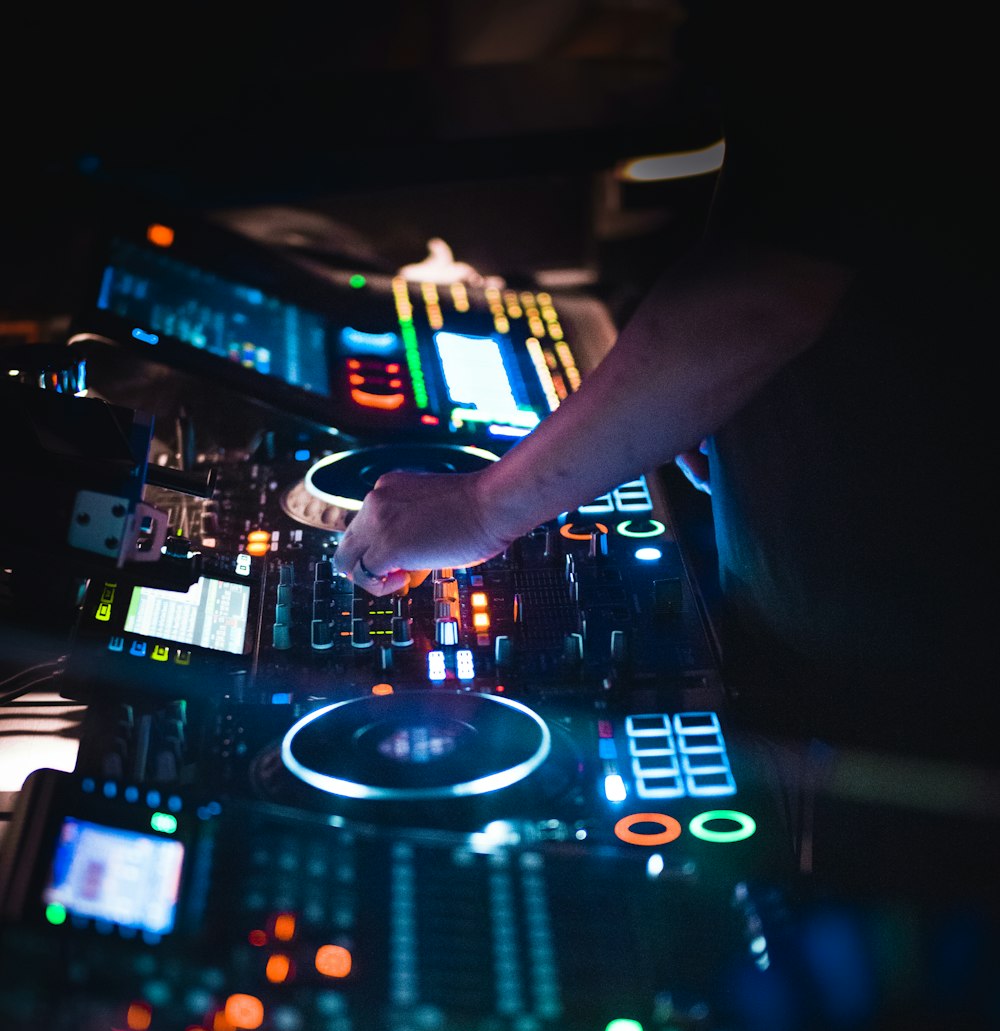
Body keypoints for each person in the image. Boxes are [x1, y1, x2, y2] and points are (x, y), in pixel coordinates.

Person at [333, 5, 994, 764]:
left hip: (912, 603)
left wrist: (486, 506)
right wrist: (692, 398)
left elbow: (765, 287)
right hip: (837, 563)